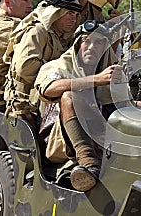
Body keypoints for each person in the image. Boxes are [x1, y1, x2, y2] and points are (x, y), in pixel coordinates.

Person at [34, 30, 122, 192]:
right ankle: (88, 162)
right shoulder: (61, 65)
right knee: (69, 96)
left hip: (103, 141)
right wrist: (96, 80)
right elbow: (48, 89)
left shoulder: (112, 70)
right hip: (61, 141)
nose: (91, 47)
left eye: (98, 43)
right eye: (86, 42)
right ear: (77, 45)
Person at [5, 0, 82, 126]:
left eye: (76, 15)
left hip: (44, 103)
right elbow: (25, 69)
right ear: (56, 13)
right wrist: (57, 73)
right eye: (69, 13)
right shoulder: (38, 32)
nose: (73, 19)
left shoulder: (60, 37)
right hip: (26, 107)